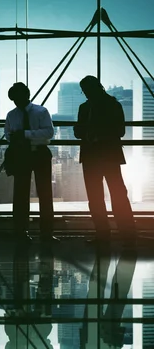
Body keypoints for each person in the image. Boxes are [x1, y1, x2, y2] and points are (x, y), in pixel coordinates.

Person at [74, 75, 135, 242]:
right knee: (115, 194)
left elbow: (119, 131)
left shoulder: (88, 107)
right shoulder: (112, 105)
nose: (86, 94)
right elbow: (119, 131)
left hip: (95, 156)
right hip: (108, 155)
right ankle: (127, 235)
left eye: (86, 90)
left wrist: (93, 135)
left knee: (102, 196)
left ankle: (105, 234)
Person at [4, 82, 56, 242]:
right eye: (14, 100)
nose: (16, 103)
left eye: (17, 99)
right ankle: (31, 232)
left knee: (39, 194)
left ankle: (36, 232)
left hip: (34, 154)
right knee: (25, 194)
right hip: (31, 154)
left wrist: (24, 134)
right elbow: (8, 134)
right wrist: (25, 136)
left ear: (26, 96)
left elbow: (49, 132)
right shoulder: (14, 114)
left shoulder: (40, 111)